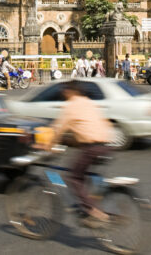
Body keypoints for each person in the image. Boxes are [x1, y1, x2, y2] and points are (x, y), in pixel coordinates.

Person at [49, 81, 114, 225]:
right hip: (105, 145)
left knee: (73, 178)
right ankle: (89, 200)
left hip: (92, 147)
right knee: (84, 174)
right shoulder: (87, 102)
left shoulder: (71, 106)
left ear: (70, 91)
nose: (63, 93)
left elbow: (58, 129)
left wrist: (47, 145)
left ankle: (91, 210)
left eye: (65, 90)